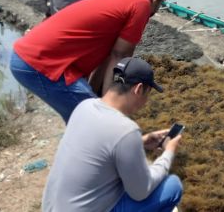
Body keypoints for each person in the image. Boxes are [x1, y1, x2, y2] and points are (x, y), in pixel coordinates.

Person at [10, 0, 169, 123]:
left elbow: (108, 58)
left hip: (27, 55)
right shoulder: (141, 4)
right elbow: (120, 57)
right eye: (160, 4)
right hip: (39, 63)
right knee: (94, 120)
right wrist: (112, 109)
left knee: (88, 115)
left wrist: (96, 97)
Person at [42, 57, 183, 212]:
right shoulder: (126, 130)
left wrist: (141, 142)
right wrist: (169, 152)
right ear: (138, 89)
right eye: (147, 94)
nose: (145, 102)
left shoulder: (84, 106)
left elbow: (99, 148)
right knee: (173, 186)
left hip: (51, 207)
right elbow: (141, 192)